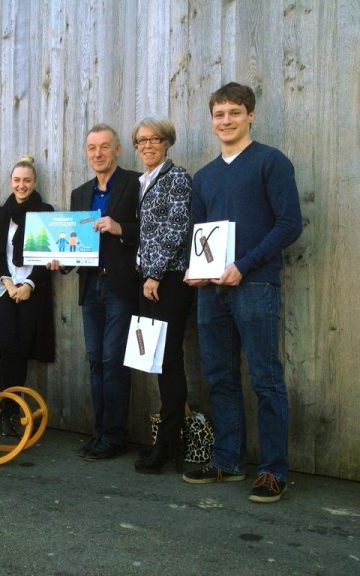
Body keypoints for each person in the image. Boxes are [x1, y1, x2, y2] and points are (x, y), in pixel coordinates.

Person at [182, 82, 302, 503]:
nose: (226, 121)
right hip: (209, 294)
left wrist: (243, 266)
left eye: (234, 112)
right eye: (219, 114)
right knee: (220, 378)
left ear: (251, 115)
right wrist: (195, 272)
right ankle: (227, 460)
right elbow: (199, 236)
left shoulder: (271, 162)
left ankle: (272, 470)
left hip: (254, 285)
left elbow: (289, 224)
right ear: (212, 120)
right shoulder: (206, 176)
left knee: (266, 379)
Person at [51, 124, 140, 461]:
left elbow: (149, 230)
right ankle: (100, 431)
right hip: (90, 287)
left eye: (104, 147)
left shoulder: (134, 184)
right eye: (92, 148)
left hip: (120, 285)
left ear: (117, 150)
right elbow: (76, 246)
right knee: (95, 363)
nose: (98, 154)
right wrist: (60, 262)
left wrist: (119, 228)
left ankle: (114, 436)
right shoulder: (80, 193)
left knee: (113, 362)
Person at [128, 118, 193, 474]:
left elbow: (177, 228)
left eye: (155, 139)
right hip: (148, 283)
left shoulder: (177, 178)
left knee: (169, 363)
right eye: (142, 141)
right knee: (156, 360)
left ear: (167, 143)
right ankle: (168, 439)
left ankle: (166, 444)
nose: (148, 145)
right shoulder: (143, 182)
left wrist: (153, 274)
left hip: (166, 281)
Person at [0, 156, 55, 436]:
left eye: (27, 180)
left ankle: (14, 409)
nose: (21, 185)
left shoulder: (45, 211)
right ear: (10, 182)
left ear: (34, 182)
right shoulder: (1, 213)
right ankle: (8, 410)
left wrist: (28, 284)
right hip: (4, 288)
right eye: (17, 180)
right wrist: (8, 282)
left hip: (32, 289)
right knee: (7, 350)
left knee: (23, 350)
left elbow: (47, 256)